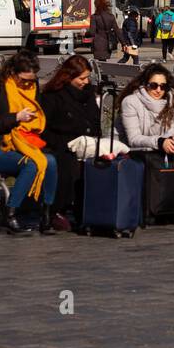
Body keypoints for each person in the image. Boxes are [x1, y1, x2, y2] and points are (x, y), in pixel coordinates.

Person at [0, 49, 58, 236]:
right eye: (23, 80)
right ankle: (9, 215)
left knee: (51, 162)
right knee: (30, 165)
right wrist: (15, 117)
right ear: (12, 72)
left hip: (26, 141)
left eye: (31, 80)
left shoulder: (32, 85)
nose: (28, 84)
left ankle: (47, 214)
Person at [118, 63, 174, 224]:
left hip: (156, 149)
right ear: (145, 85)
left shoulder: (169, 101)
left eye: (163, 86)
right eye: (154, 85)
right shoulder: (131, 102)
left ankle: (170, 208)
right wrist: (159, 142)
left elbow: (171, 132)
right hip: (130, 149)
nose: (158, 90)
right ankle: (150, 209)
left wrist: (171, 142)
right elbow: (133, 139)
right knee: (150, 161)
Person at [41, 56, 102, 227]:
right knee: (68, 164)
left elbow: (95, 119)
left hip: (87, 143)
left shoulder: (88, 93)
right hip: (62, 144)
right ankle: (58, 209)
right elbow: (44, 128)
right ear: (69, 76)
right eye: (81, 78)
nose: (86, 81)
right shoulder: (53, 95)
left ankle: (91, 209)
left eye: (87, 77)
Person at [91, 0, 124, 64]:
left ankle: (103, 74)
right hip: (108, 43)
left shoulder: (94, 17)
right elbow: (117, 31)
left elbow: (92, 32)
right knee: (103, 62)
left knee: (101, 63)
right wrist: (123, 43)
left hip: (98, 43)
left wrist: (85, 33)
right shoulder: (111, 16)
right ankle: (104, 74)